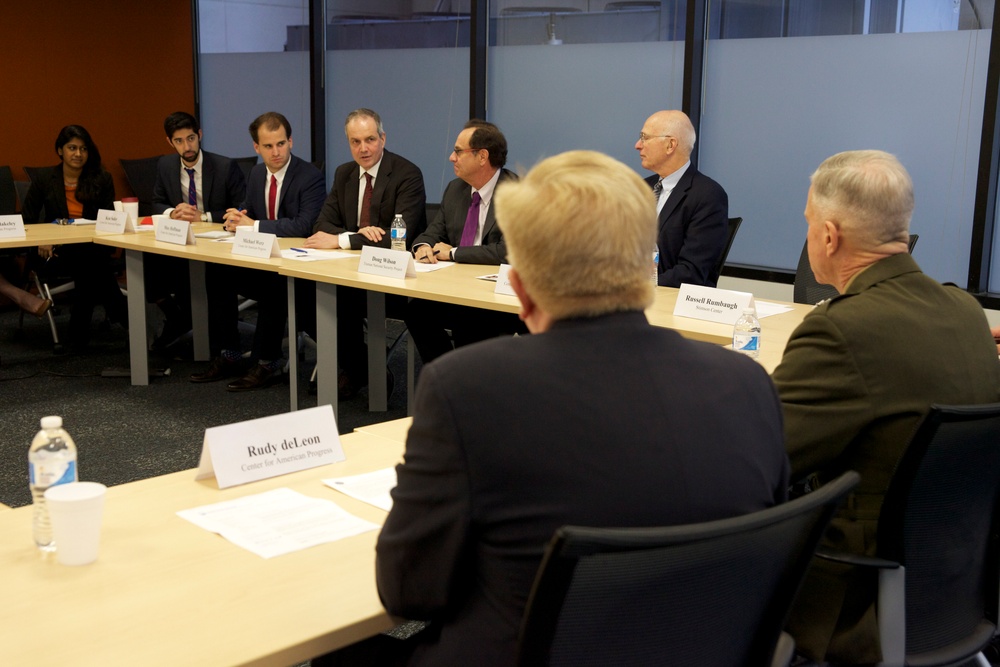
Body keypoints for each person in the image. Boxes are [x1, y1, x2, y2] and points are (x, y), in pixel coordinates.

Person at [376, 150, 789, 667]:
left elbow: (408, 590)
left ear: (521, 290)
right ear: (647, 270)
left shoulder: (466, 388)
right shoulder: (747, 384)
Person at [772, 150, 1000, 664]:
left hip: (852, 597)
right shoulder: (965, 310)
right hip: (953, 582)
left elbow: (763, 458)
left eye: (809, 223)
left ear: (828, 237)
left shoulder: (841, 328)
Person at [190, 112, 325, 391]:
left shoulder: (310, 176)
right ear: (256, 148)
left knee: (274, 281)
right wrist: (236, 219)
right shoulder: (255, 173)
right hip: (260, 257)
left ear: (291, 141)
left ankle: (268, 362)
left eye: (281, 144)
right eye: (268, 146)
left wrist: (254, 225)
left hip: (295, 266)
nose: (275, 152)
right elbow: (248, 209)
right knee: (217, 270)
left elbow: (304, 224)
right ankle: (228, 354)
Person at [300, 108, 427, 398]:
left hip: (392, 277)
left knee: (339, 298)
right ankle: (365, 367)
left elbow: (399, 237)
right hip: (349, 270)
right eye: (355, 141)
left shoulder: (407, 174)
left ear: (383, 138)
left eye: (370, 139)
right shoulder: (344, 173)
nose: (363, 148)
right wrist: (354, 236)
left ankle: (355, 368)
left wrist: (343, 240)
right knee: (304, 297)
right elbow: (322, 225)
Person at [404, 119, 525, 364]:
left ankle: (466, 383)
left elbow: (508, 251)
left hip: (496, 296)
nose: (451, 157)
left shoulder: (517, 193)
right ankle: (448, 374)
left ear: (482, 156)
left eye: (458, 151)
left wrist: (454, 254)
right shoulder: (455, 189)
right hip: (457, 288)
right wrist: (423, 247)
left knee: (470, 321)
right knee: (416, 311)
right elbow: (432, 232)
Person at [21, 125, 127, 351]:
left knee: (88, 263)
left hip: (91, 248)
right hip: (51, 251)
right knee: (93, 268)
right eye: (72, 148)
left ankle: (78, 336)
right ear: (60, 150)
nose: (78, 154)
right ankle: (129, 320)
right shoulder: (44, 178)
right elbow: (27, 219)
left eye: (83, 149)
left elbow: (107, 220)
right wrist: (43, 238)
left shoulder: (101, 179)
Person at [148, 111, 246, 350]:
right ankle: (180, 317)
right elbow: (156, 201)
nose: (187, 146)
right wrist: (172, 213)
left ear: (200, 135)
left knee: (210, 278)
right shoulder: (165, 164)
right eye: (179, 141)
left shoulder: (224, 167)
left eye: (191, 138)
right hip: (182, 241)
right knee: (148, 264)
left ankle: (215, 339)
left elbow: (242, 208)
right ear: (170, 142)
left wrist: (202, 216)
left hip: (218, 240)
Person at [635, 110, 729, 287]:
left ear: (670, 145)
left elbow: (690, 273)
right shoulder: (641, 188)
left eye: (645, 138)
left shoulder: (707, 195)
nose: (638, 145)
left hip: (673, 303)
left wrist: (633, 285)